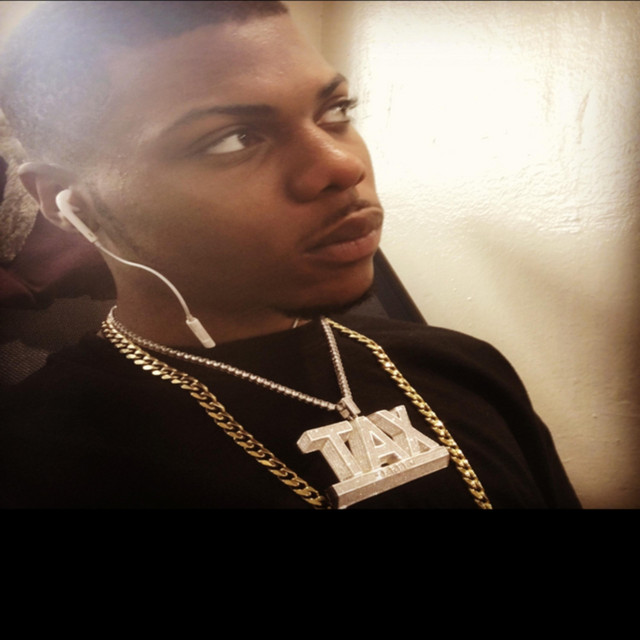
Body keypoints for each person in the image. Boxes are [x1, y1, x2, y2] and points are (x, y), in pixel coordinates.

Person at [0, 1, 580, 509]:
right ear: (67, 202)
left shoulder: (465, 364)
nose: (341, 166)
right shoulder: (36, 461)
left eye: (336, 111)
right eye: (232, 138)